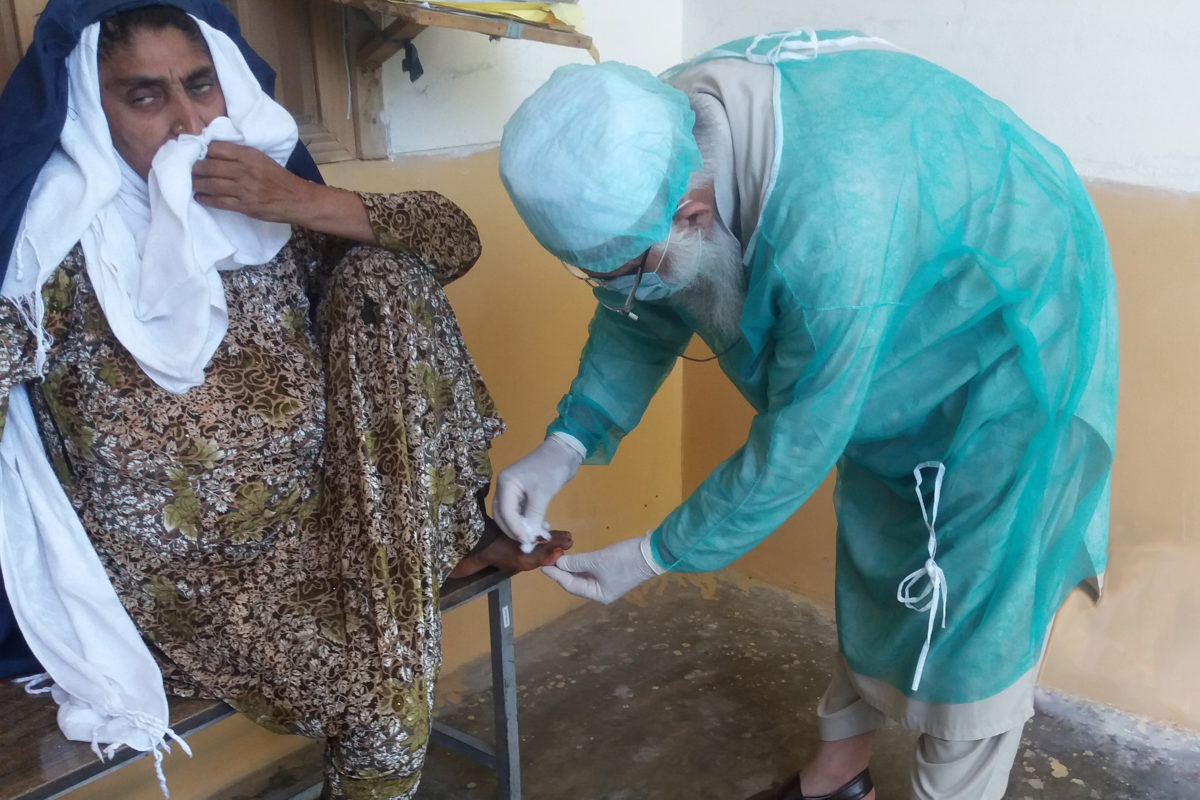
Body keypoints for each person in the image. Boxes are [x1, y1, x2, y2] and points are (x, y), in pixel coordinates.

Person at [496, 29, 1117, 800]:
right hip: (902, 294)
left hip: (1016, 334)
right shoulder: (659, 130)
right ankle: (837, 775)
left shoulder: (835, 227)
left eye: (623, 275)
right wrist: (568, 438)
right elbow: (649, 300)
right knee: (881, 546)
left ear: (691, 212)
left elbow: (799, 440)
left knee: (976, 606)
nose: (627, 292)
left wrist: (657, 553)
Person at [0, 2, 569, 798]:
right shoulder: (53, 248)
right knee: (382, 699)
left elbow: (452, 239)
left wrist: (299, 199)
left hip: (332, 511)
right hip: (191, 577)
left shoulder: (262, 207)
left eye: (202, 86)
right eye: (145, 96)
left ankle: (437, 538)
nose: (188, 121)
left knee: (386, 277)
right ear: (91, 109)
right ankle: (424, 575)